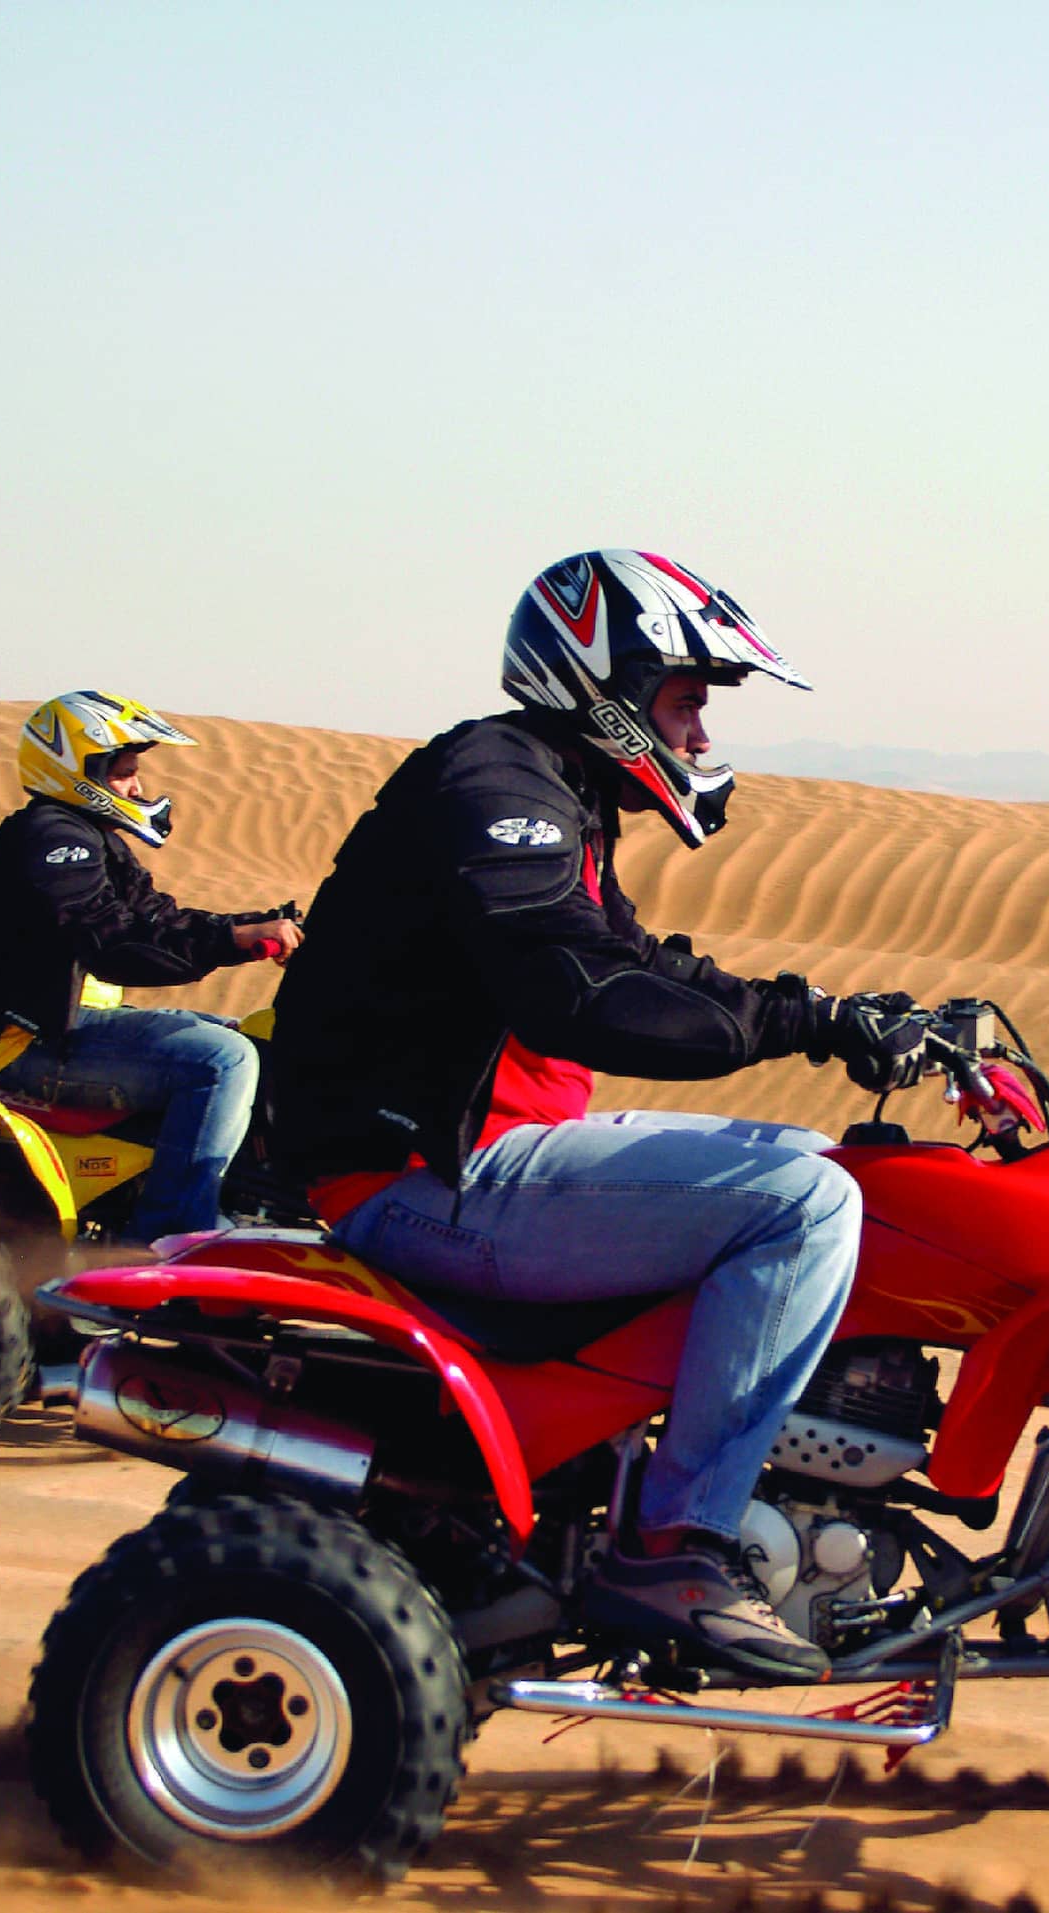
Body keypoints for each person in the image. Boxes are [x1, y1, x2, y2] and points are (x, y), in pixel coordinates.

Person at [269, 550, 934, 1682]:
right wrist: (793, 1026)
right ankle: (677, 1543)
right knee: (804, 1203)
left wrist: (821, 1013)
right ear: (606, 684)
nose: (704, 737)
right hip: (422, 1174)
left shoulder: (550, 791)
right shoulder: (493, 784)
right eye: (687, 702)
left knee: (822, 1163)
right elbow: (576, 990)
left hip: (468, 1152)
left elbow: (630, 958)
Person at [0, 690, 303, 1240]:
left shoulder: (92, 840)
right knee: (223, 1060)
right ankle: (168, 1240)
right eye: (124, 773)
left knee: (248, 1038)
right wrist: (233, 942)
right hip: (26, 1042)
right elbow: (115, 944)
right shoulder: (55, 840)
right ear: (77, 768)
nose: (137, 787)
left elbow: (161, 919)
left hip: (68, 1028)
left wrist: (269, 924)